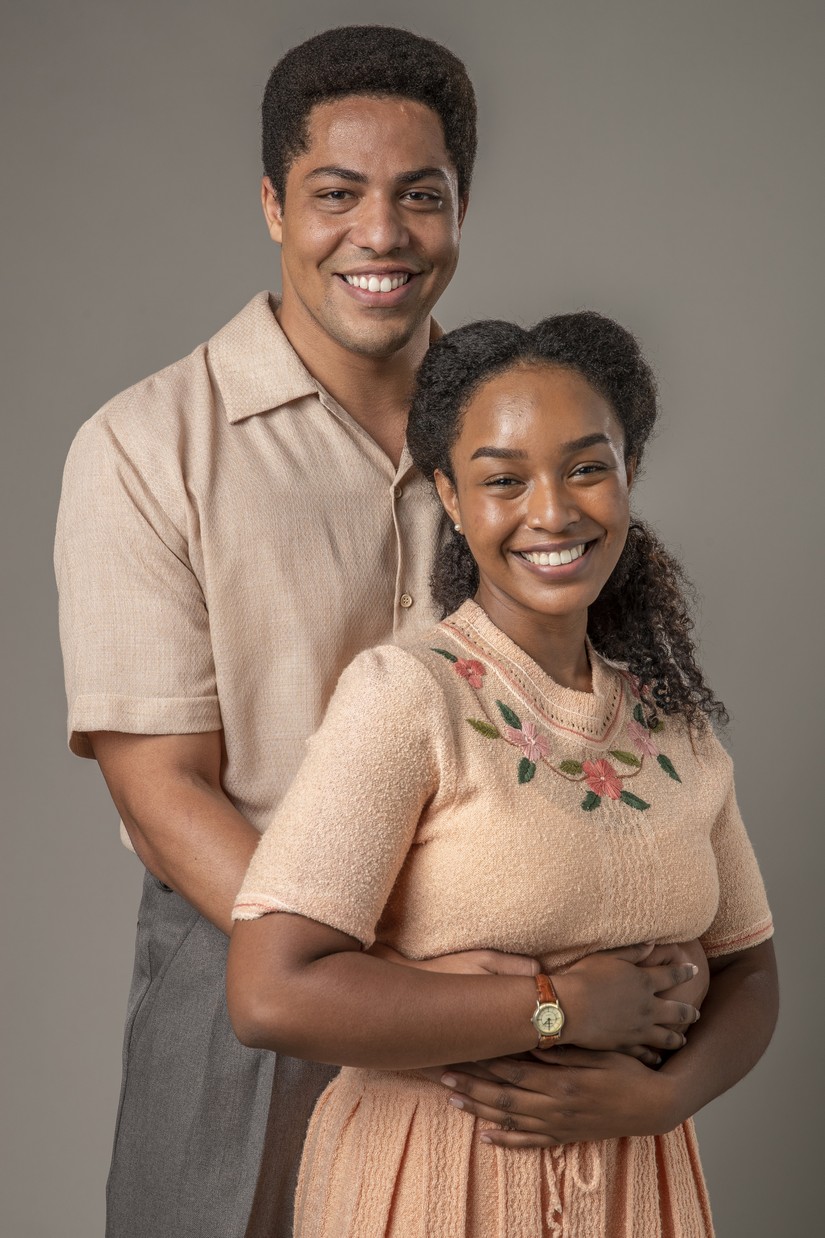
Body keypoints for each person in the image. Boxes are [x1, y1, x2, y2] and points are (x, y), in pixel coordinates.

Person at [54, 25, 484, 1238]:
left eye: (420, 196)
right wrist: (392, 984)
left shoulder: (519, 437)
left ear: (462, 209)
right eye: (335, 194)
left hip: (499, 982)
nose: (381, 235)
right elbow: (162, 798)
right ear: (271, 203)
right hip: (249, 972)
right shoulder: (146, 448)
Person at [227, 312, 777, 1236]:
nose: (552, 512)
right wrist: (556, 1009)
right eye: (503, 480)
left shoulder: (672, 724)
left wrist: (661, 1100)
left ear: (628, 474)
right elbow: (271, 992)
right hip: (430, 1190)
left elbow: (751, 972)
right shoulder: (406, 696)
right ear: (448, 493)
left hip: (637, 1194)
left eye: (587, 467)